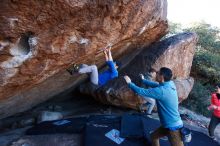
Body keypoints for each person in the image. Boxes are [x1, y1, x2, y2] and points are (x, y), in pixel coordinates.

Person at [124, 67, 184, 146]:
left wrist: (129, 83)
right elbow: (156, 85)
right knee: (154, 137)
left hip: (173, 128)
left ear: (161, 77)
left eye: (157, 73)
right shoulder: (170, 83)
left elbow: (141, 91)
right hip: (167, 125)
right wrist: (144, 80)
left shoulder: (162, 91)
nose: (156, 74)